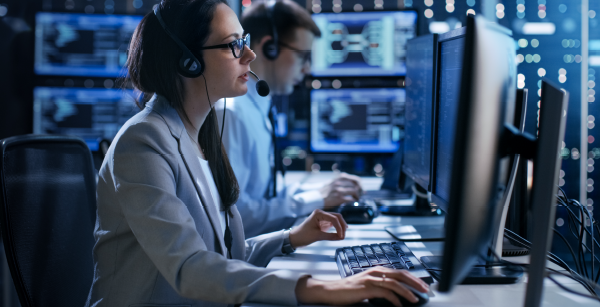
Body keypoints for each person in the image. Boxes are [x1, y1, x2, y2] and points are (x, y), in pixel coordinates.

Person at [85, 0, 428, 306]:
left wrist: (290, 238)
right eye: (234, 45)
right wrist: (319, 288)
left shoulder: (201, 132)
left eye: (244, 41)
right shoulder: (143, 142)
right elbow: (190, 267)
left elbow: (225, 252)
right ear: (188, 61)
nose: (249, 56)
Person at [216, 0, 363, 238]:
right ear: (269, 48)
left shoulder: (258, 108)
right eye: (303, 57)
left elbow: (266, 194)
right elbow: (236, 217)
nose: (307, 69)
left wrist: (321, 191)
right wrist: (318, 198)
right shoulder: (231, 115)